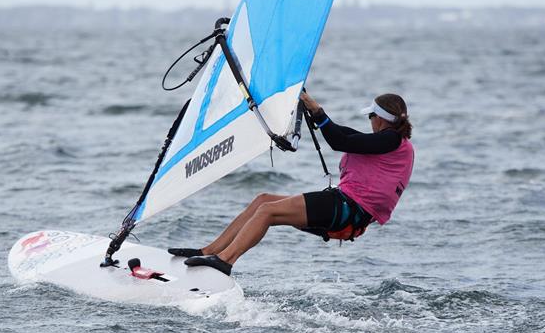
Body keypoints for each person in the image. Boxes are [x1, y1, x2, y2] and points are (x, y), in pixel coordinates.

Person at [168, 91, 415, 275]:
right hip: (346, 209)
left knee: (267, 211)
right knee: (263, 200)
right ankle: (209, 251)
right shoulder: (388, 143)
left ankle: (224, 261)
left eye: (371, 116)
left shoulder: (391, 140)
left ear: (381, 119)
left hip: (348, 211)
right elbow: (343, 132)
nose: (369, 121)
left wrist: (319, 113)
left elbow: (340, 141)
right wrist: (316, 112)